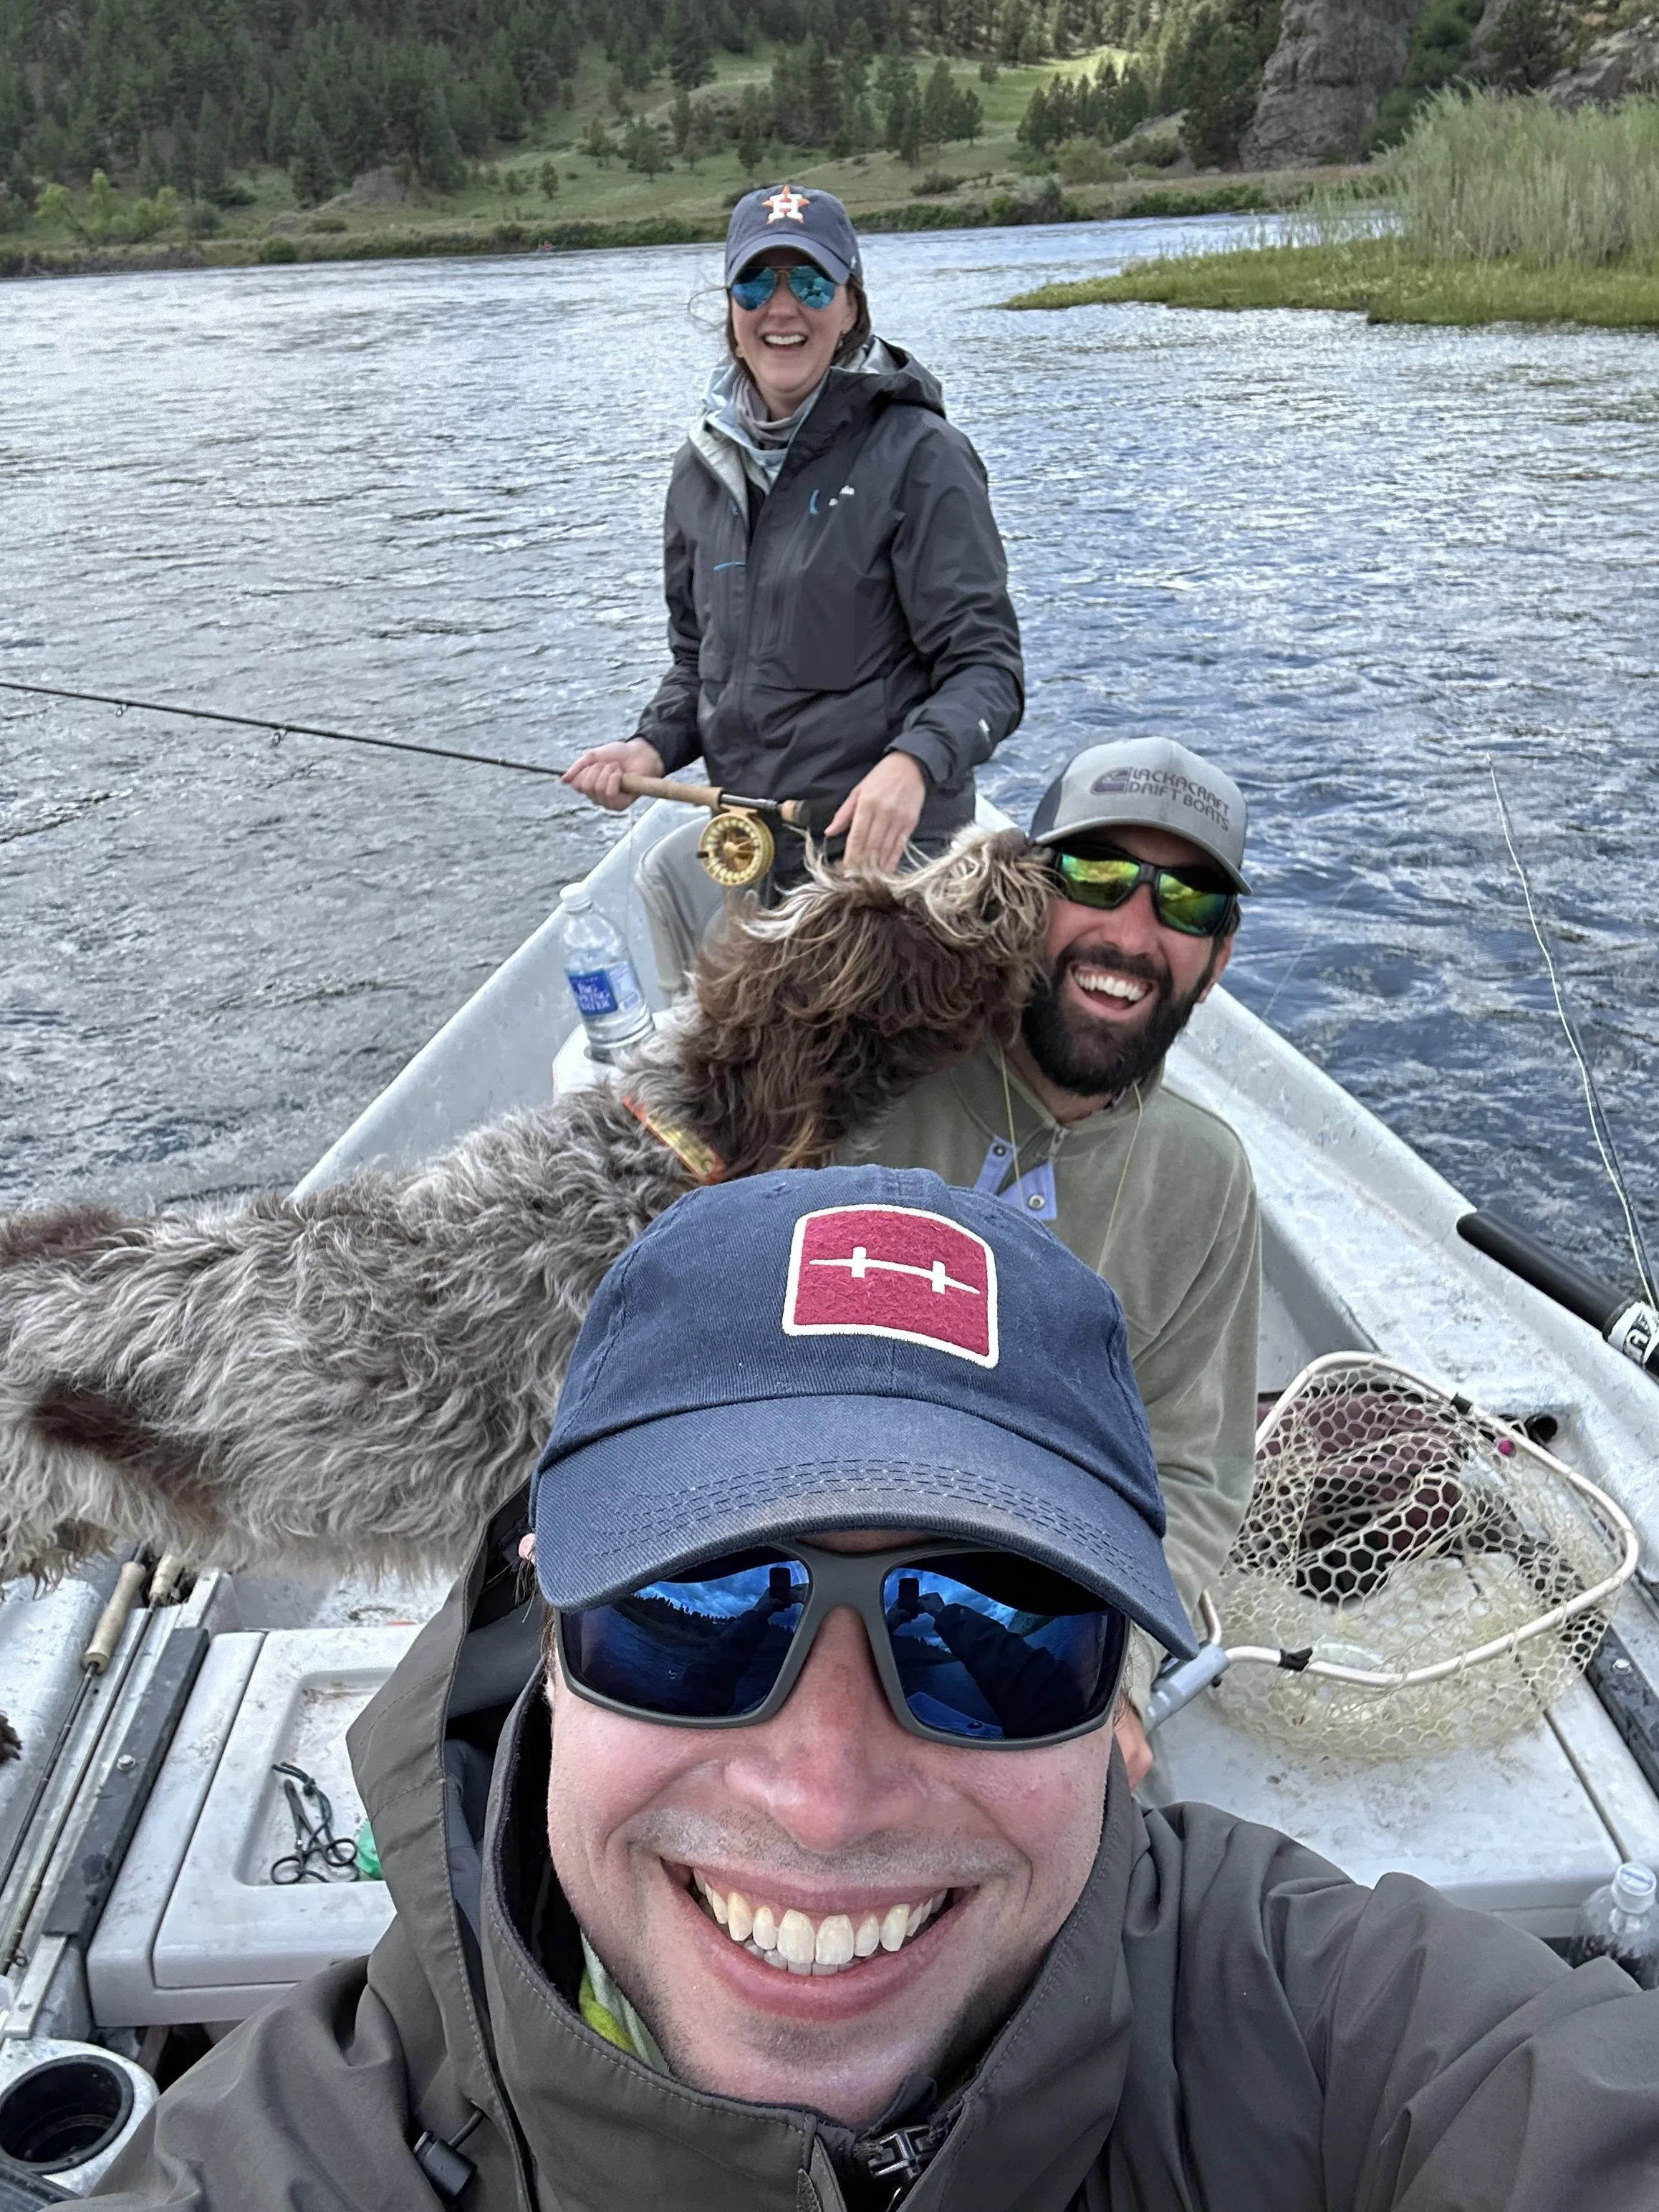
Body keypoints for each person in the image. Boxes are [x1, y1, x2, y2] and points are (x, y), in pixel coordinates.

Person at [91, 1168, 1659, 2210]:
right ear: (544, 1646)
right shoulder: (297, 2158)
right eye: (692, 1614)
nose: (824, 1792)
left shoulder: (1320, 2021)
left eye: (996, 1633)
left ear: (1118, 1718)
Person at [847, 735, 1259, 1783]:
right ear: (1024, 893)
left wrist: (1112, 1672)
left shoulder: (1205, 1179)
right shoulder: (865, 1070)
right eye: (1096, 875)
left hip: (1030, 1590)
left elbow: (1191, 1473)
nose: (1132, 930)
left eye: (1189, 904)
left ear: (1217, 960)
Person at [561, 183, 1024, 989]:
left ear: (850, 307)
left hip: (887, 872)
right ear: (731, 308)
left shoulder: (921, 455)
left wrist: (911, 765)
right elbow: (698, 665)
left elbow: (988, 671)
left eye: (810, 283)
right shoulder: (700, 472)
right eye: (756, 283)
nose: (783, 308)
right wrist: (649, 745)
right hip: (757, 853)